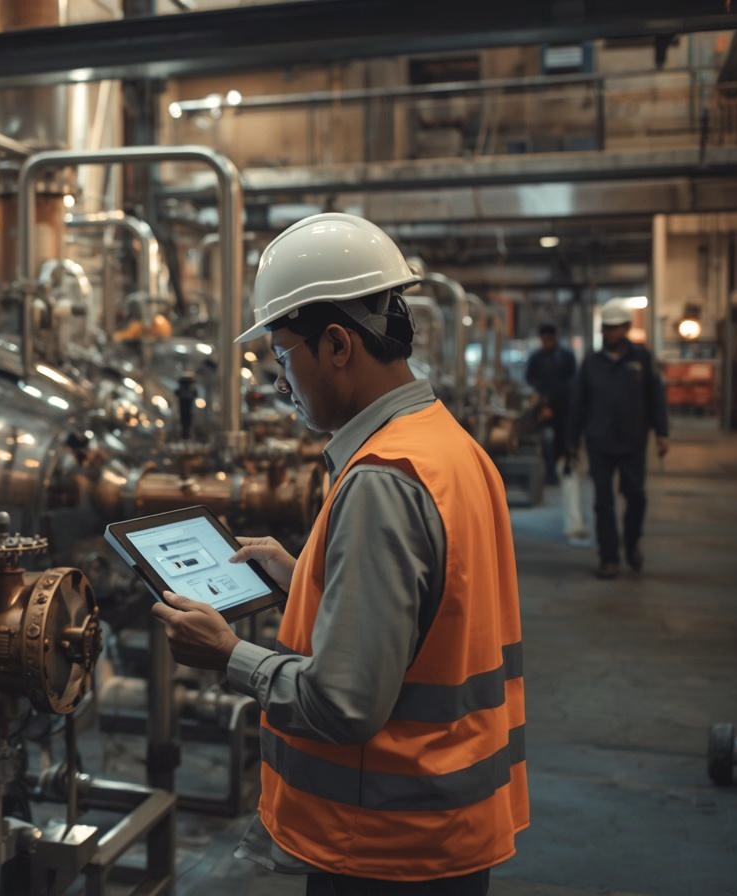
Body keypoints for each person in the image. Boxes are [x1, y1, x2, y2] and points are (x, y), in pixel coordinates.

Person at [150, 213, 528, 894]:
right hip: (443, 825)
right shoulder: (448, 447)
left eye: (281, 357)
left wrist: (228, 655)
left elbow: (343, 705)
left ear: (336, 344)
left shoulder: (383, 480)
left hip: (384, 842)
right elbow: (433, 613)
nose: (280, 384)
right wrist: (306, 579)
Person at [566, 300, 670, 579]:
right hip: (599, 442)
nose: (609, 332)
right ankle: (608, 557)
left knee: (635, 496)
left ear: (626, 328)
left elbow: (656, 397)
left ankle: (632, 541)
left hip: (633, 440)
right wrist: (572, 441)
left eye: (614, 327)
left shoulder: (642, 359)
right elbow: (578, 404)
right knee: (603, 502)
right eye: (606, 328)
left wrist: (662, 433)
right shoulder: (592, 362)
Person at [524, 323, 577, 485]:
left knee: (563, 439)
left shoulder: (566, 356)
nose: (546, 342)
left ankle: (564, 465)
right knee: (547, 440)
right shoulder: (536, 357)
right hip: (543, 407)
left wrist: (556, 395)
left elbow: (572, 380)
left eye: (549, 339)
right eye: (544, 339)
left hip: (563, 406)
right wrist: (540, 396)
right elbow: (529, 378)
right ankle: (551, 472)